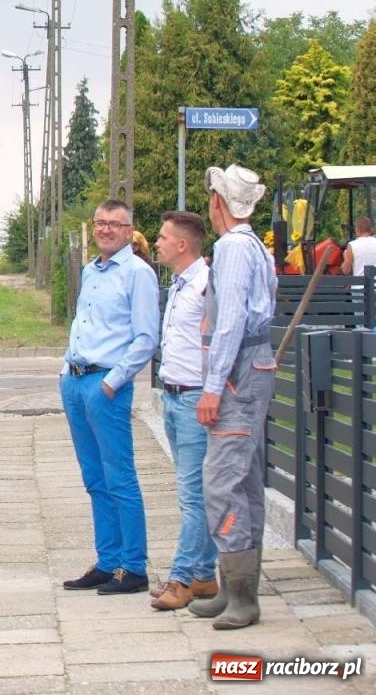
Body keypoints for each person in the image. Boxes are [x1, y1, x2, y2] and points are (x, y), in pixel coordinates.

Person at [188, 163, 277, 631]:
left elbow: (230, 323)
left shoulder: (233, 249)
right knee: (242, 480)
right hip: (251, 367)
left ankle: (242, 597)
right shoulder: (252, 246)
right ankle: (235, 590)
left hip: (238, 372)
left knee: (223, 480)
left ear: (218, 202)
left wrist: (212, 386)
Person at [59, 199, 160, 596]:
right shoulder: (91, 270)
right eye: (100, 223)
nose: (104, 230)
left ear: (128, 231)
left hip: (107, 385)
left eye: (114, 225)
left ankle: (133, 567)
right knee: (94, 478)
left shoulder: (138, 273)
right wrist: (65, 370)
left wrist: (113, 382)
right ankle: (107, 561)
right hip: (76, 380)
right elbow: (84, 323)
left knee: (120, 478)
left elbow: (146, 337)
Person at [148, 210, 219, 610]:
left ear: (182, 244)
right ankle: (205, 576)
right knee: (192, 492)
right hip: (174, 396)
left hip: (195, 397)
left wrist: (212, 392)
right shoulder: (178, 284)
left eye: (162, 237)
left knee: (193, 495)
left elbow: (219, 341)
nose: (156, 242)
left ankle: (182, 578)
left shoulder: (206, 284)